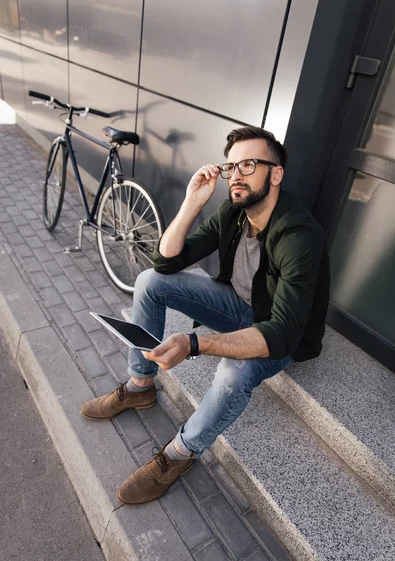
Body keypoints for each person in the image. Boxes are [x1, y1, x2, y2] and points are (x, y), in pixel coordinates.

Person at [81, 126, 330, 505]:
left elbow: (281, 334)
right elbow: (165, 260)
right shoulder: (234, 212)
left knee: (234, 369)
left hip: (282, 332)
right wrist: (192, 202)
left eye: (249, 164)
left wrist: (195, 343)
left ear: (275, 174)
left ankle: (181, 452)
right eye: (231, 166)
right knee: (149, 282)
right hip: (240, 307)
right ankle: (139, 387)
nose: (237, 175)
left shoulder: (298, 235)